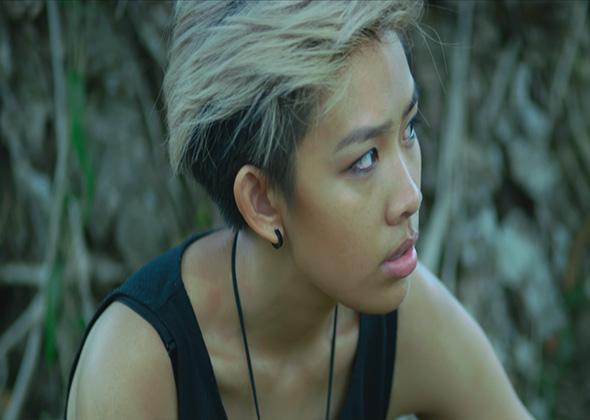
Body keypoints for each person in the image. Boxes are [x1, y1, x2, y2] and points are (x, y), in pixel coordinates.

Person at [65, 1, 534, 419]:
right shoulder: (136, 369)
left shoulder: (410, 324)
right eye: (364, 159)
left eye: (408, 129)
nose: (411, 196)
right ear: (262, 201)